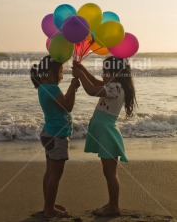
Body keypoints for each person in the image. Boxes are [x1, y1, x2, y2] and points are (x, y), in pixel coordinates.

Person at [72, 56, 137, 217]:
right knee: (108, 172)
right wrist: (83, 69)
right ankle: (111, 203)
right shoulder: (114, 85)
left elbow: (92, 90)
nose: (102, 75)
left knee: (110, 173)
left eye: (105, 71)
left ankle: (114, 206)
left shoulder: (115, 88)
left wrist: (80, 76)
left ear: (115, 73)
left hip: (108, 134)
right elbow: (95, 82)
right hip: (105, 132)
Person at [31, 55, 80, 218]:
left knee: (49, 172)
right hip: (57, 137)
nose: (61, 76)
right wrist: (73, 86)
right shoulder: (52, 89)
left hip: (49, 134)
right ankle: (49, 209)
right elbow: (68, 106)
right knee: (55, 175)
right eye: (60, 72)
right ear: (49, 73)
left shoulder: (42, 87)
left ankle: (48, 204)